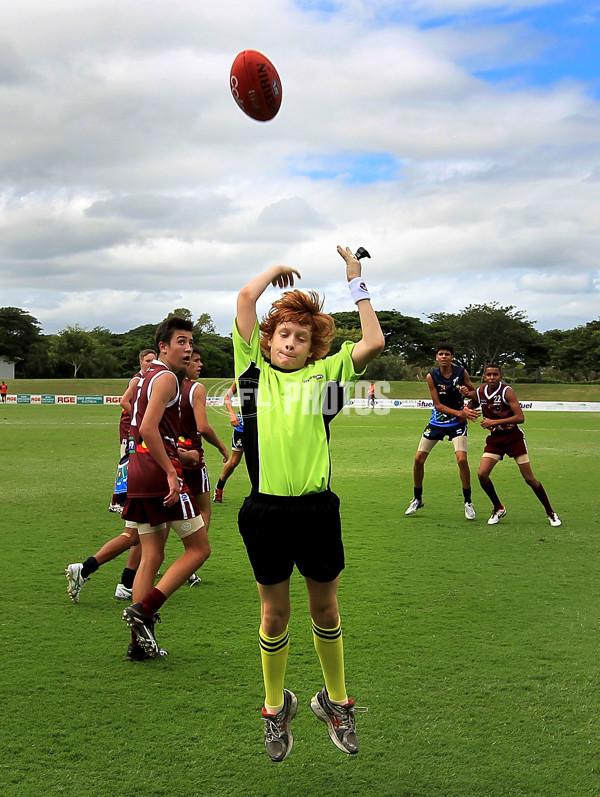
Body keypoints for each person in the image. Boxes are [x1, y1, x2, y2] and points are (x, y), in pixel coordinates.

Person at [234, 246, 385, 762]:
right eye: (283, 334)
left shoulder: (328, 380)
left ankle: (335, 701)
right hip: (264, 512)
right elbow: (246, 297)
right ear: (268, 339)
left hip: (317, 511)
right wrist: (276, 270)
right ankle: (277, 708)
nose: (290, 343)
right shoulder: (253, 374)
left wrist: (355, 280)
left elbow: (374, 340)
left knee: (325, 608)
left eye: (301, 337)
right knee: (274, 616)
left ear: (313, 346)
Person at [120, 317, 209, 661]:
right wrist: (173, 471)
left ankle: (137, 645)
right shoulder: (168, 377)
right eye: (181, 342)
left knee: (151, 556)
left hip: (138, 473)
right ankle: (145, 610)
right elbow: (147, 427)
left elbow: (138, 419)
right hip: (159, 474)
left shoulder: (145, 374)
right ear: (163, 346)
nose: (188, 349)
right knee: (199, 549)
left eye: (190, 343)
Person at [467, 364, 562, 527]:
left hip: (514, 438)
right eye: (488, 375)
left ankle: (550, 513)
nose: (491, 377)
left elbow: (520, 417)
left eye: (495, 374)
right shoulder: (480, 392)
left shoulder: (507, 391)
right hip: (496, 439)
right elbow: (471, 406)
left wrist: (494, 421)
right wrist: (467, 412)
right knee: (482, 474)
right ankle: (498, 508)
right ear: (484, 377)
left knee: (529, 478)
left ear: (501, 377)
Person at [405, 343, 479, 520]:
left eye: (447, 354)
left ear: (452, 357)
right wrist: (461, 411)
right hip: (437, 421)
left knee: (462, 459)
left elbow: (476, 395)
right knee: (418, 459)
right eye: (440, 354)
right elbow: (438, 405)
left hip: (457, 423)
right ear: (436, 357)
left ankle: (468, 502)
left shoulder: (461, 373)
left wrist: (466, 393)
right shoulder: (432, 376)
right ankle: (417, 498)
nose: (444, 356)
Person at [177, 345, 229, 581]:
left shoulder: (162, 385)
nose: (200, 365)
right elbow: (202, 426)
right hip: (192, 458)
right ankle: (192, 563)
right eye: (195, 360)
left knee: (161, 518)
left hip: (168, 457)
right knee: (203, 511)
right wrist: (220, 445)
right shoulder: (195, 388)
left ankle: (145, 565)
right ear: (185, 362)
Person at [213, 381, 245, 503]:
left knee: (259, 461)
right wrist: (232, 414)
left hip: (261, 428)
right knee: (234, 461)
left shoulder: (269, 376)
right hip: (242, 427)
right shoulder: (241, 378)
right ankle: (219, 488)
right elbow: (227, 397)